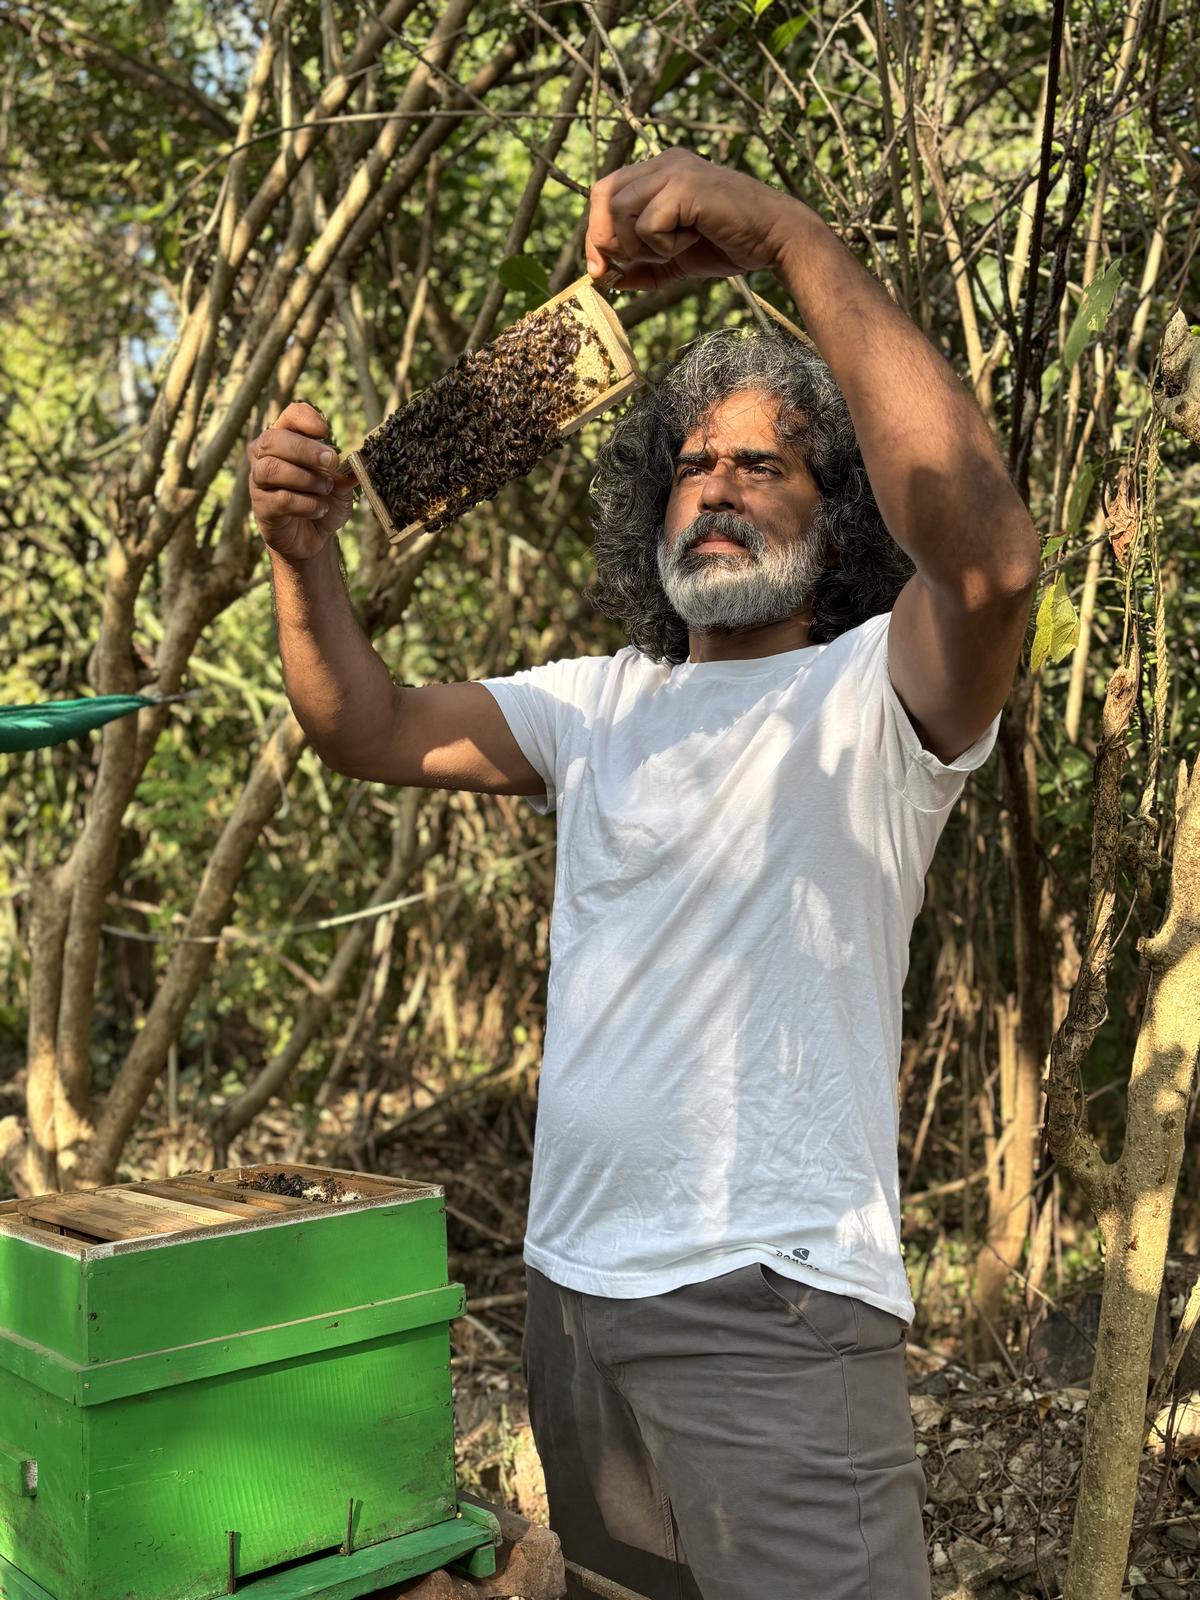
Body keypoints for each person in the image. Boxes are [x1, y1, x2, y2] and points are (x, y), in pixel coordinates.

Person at [248, 150, 1039, 1600]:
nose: (718, 488)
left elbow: (988, 560)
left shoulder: (884, 691)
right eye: (692, 464)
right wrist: (304, 557)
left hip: (775, 1311)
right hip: (573, 1308)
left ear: (839, 512)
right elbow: (365, 726)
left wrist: (785, 232)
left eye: (764, 463)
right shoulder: (601, 702)